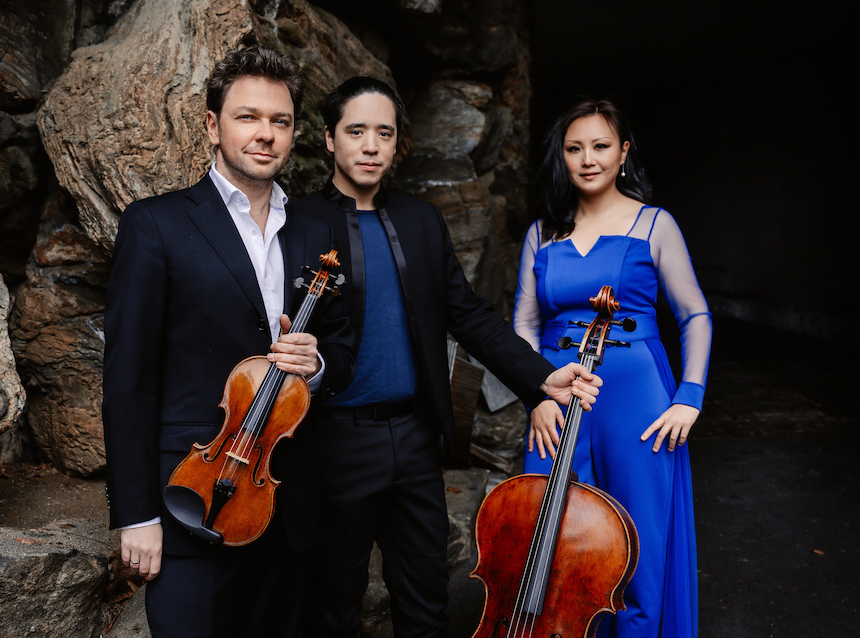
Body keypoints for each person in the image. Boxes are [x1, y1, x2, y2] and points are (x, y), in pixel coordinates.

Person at [291, 76, 604, 638]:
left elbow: (469, 314)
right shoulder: (297, 223)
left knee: (427, 601)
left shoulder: (421, 220)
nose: (370, 146)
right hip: (334, 440)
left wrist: (541, 378)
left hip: (415, 439)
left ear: (397, 142)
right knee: (333, 604)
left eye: (384, 133)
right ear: (330, 139)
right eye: (356, 132)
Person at [101, 45, 354, 638]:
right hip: (192, 497)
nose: (265, 133)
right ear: (214, 127)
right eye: (248, 117)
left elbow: (344, 349)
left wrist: (316, 364)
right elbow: (128, 379)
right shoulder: (156, 223)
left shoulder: (317, 231)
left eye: (280, 120)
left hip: (285, 504)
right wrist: (136, 514)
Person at [514, 97, 712, 637]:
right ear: (561, 156)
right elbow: (524, 324)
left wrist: (690, 396)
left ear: (623, 152)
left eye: (600, 146)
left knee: (639, 544)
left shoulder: (655, 224)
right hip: (555, 403)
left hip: (637, 398)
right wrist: (534, 395)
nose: (588, 159)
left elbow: (694, 314)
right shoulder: (541, 233)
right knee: (553, 545)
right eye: (574, 148)